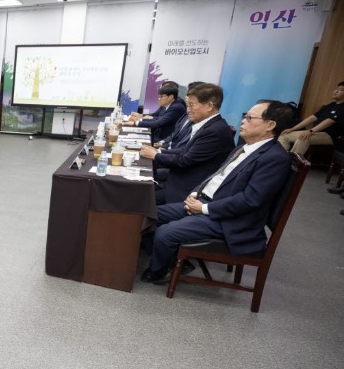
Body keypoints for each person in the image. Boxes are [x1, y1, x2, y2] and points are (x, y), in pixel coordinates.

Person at [140, 100, 294, 284]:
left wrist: (204, 208)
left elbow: (250, 200)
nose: (243, 120)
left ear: (270, 125)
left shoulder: (275, 158)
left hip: (230, 220)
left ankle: (159, 270)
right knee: (147, 213)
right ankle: (171, 260)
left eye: (249, 117)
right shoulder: (245, 147)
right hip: (208, 203)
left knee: (166, 232)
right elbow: (217, 175)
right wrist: (197, 192)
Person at [140, 83, 233, 205]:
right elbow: (185, 152)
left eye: (191, 105)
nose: (187, 109)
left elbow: (184, 160)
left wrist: (156, 155)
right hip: (178, 179)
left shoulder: (214, 131)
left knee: (141, 199)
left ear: (209, 106)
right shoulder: (208, 125)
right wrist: (158, 151)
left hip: (187, 191)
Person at [278, 81, 344, 156]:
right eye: (336, 89)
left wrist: (311, 131)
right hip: (316, 132)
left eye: (341, 90)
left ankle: (292, 164)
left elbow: (329, 121)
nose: (336, 91)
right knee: (284, 135)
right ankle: (279, 159)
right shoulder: (330, 105)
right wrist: (293, 128)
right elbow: (312, 117)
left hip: (330, 135)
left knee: (303, 138)